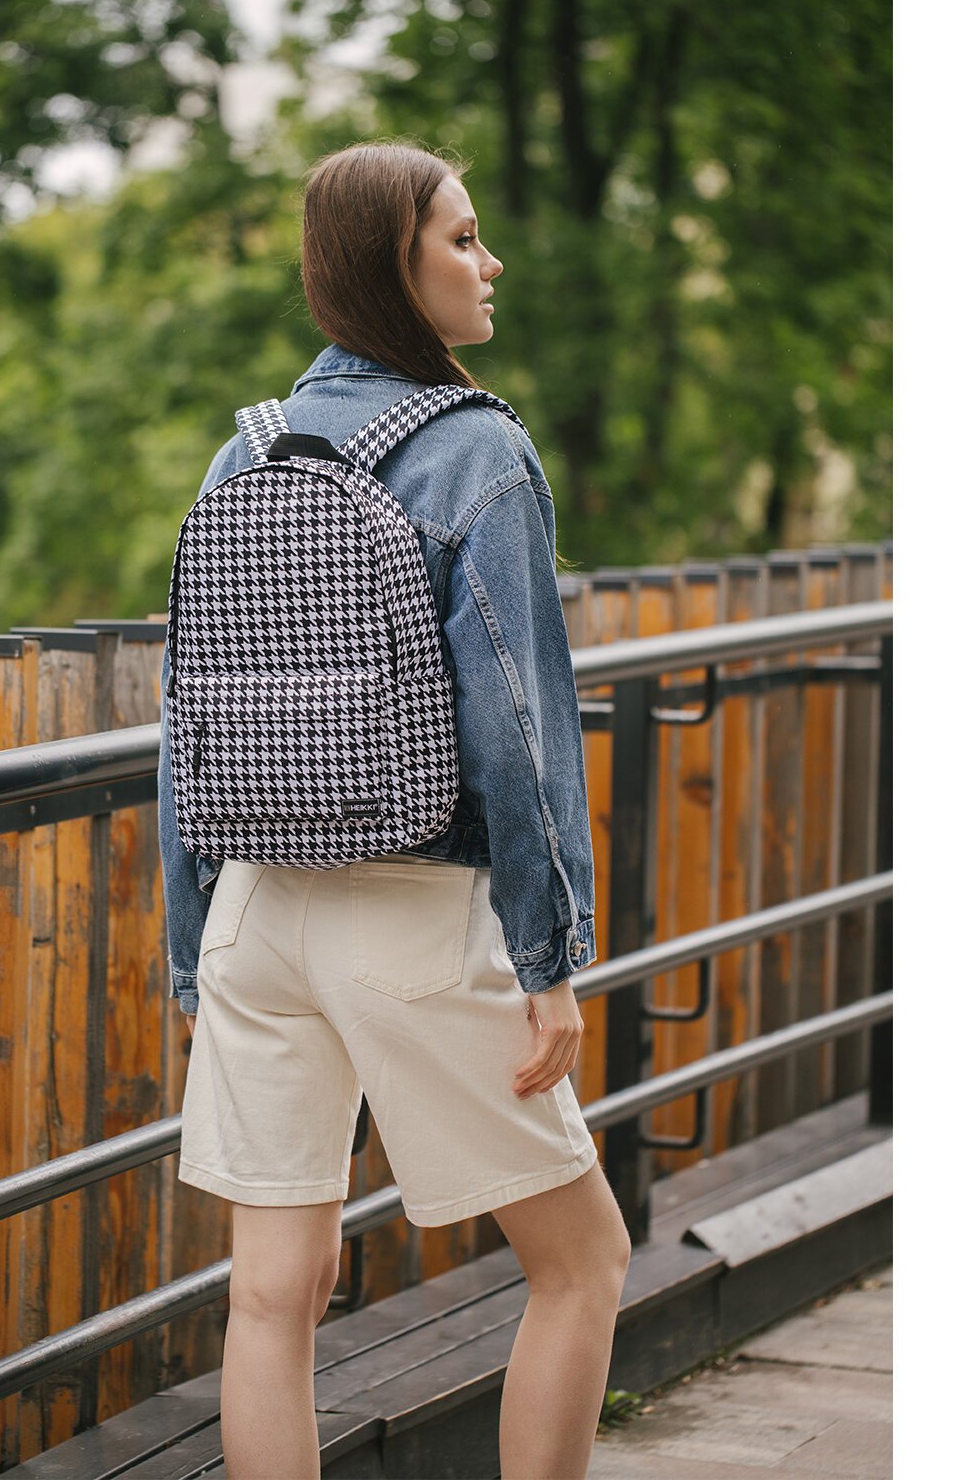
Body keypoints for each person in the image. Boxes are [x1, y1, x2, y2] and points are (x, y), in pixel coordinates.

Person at [157, 139, 631, 1480]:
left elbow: (187, 719)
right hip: (415, 918)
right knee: (583, 1262)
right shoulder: (476, 450)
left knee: (272, 1294)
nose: (491, 263)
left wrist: (194, 952)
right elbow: (521, 725)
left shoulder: (243, 453)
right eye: (462, 239)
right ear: (392, 265)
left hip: (255, 915)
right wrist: (549, 958)